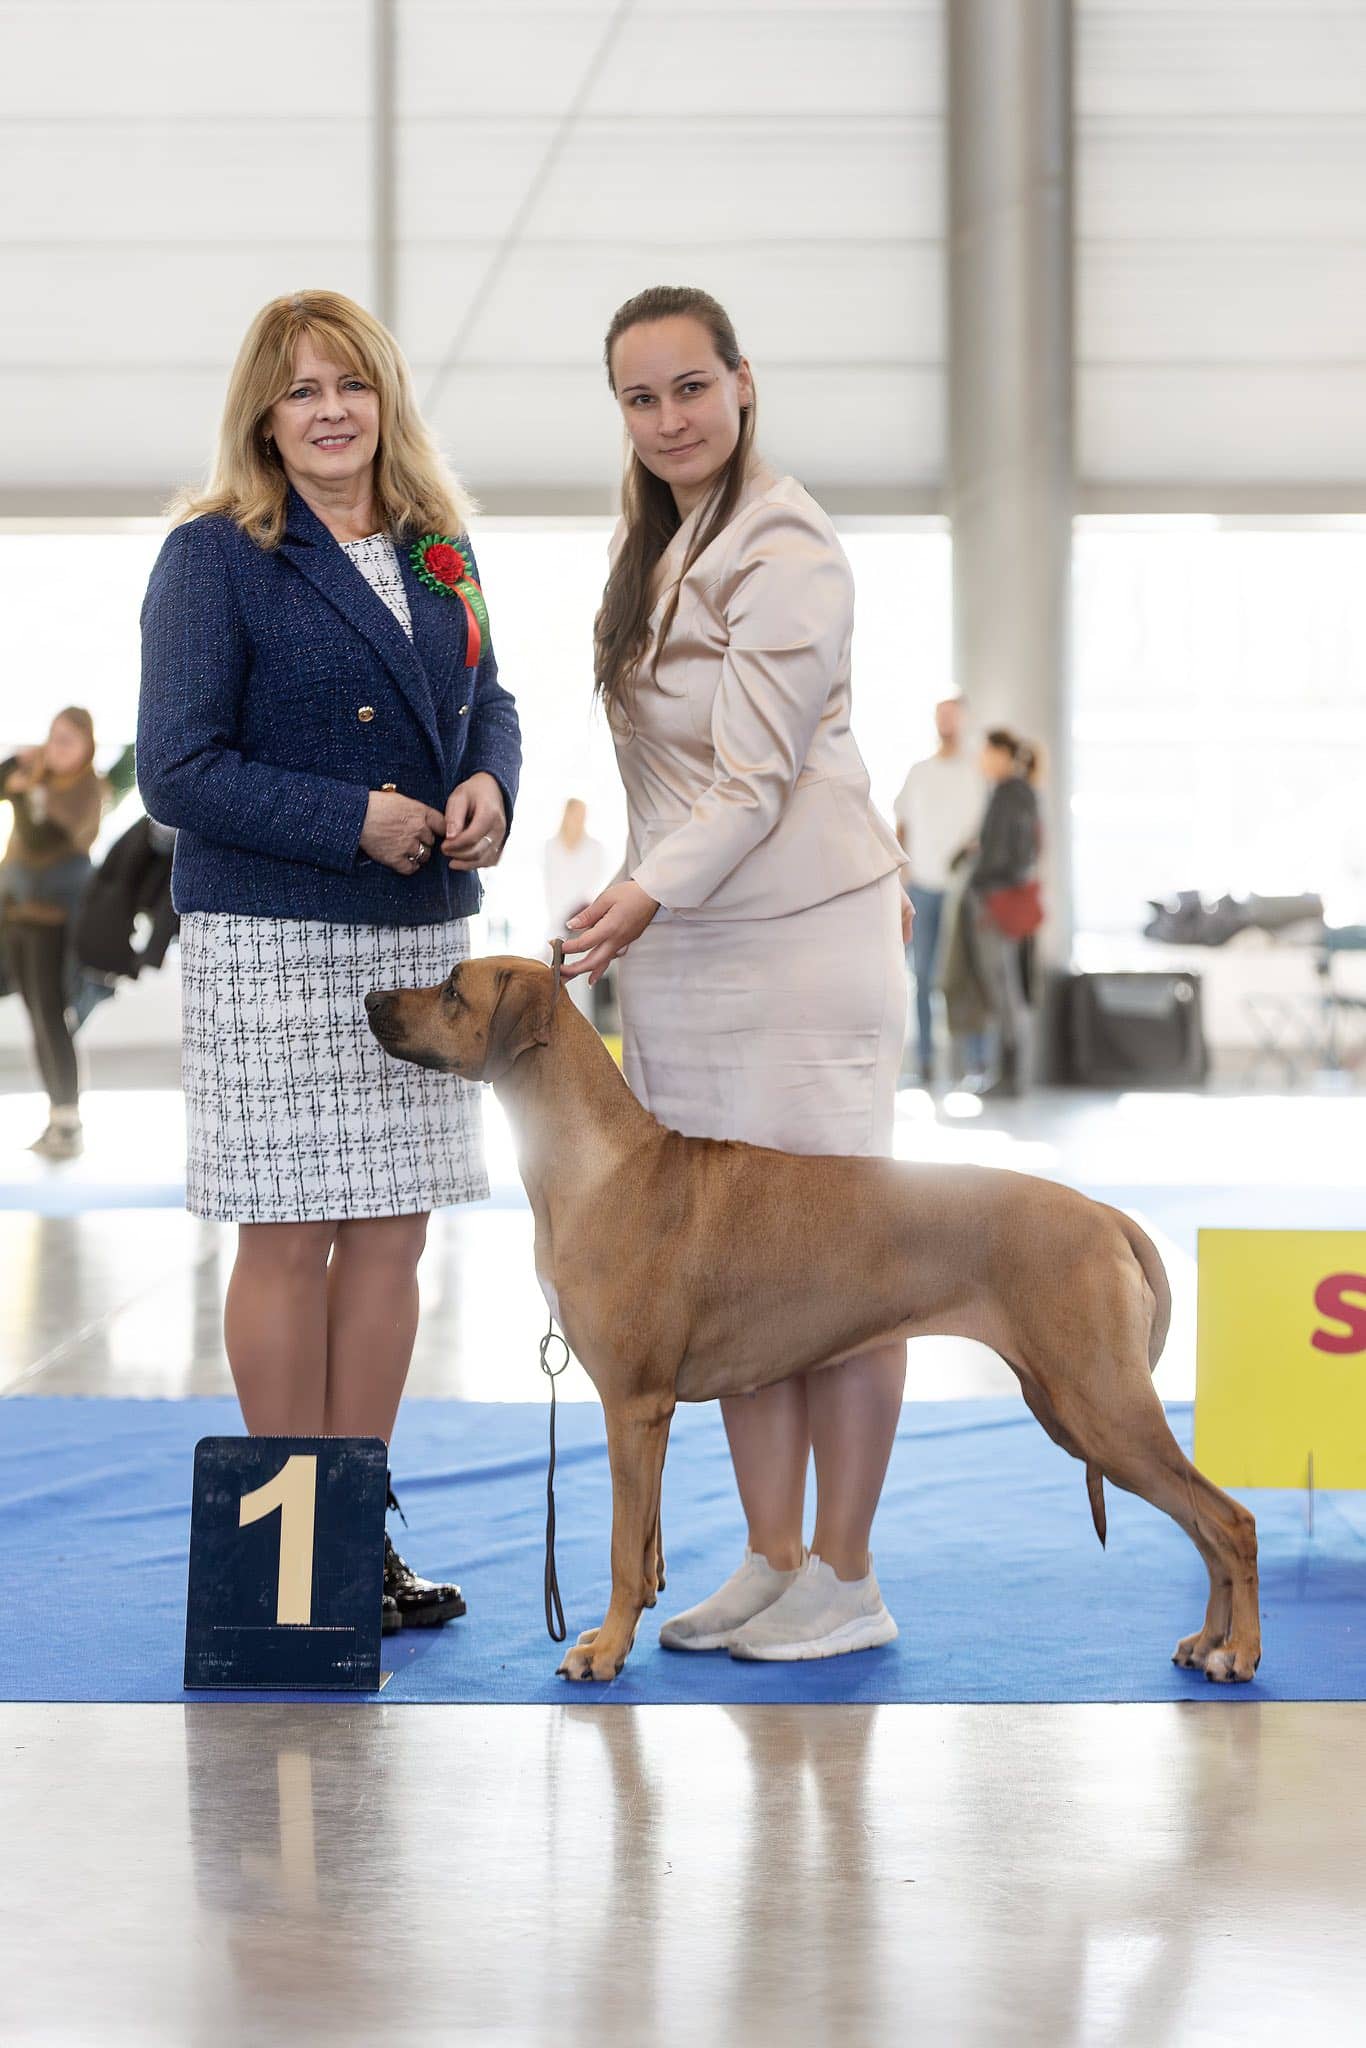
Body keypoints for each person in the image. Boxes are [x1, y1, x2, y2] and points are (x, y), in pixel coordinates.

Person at [138, 289, 521, 1634]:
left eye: (351, 383)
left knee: (393, 1235)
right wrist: (348, 815)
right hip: (273, 937)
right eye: (301, 389)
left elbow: (491, 698)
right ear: (264, 414)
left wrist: (489, 783)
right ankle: (289, 1555)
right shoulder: (212, 554)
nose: (331, 410)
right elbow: (176, 769)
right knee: (288, 1234)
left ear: (385, 397)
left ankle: (352, 1541)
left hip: (416, 929)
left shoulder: (438, 546)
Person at [564, 284, 912, 1662]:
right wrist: (642, 897)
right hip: (685, 943)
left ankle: (849, 1572)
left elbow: (757, 776)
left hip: (800, 936)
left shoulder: (787, 542)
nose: (669, 419)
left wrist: (639, 891)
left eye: (690, 387)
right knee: (731, 1270)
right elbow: (661, 775)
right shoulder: (646, 539)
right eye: (639, 398)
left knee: (843, 1261)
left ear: (742, 382)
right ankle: (774, 1556)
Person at [1, 710, 134, 1159]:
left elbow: (44, 839)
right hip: (17, 918)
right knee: (36, 1020)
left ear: (86, 749)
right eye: (53, 738)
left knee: (51, 1019)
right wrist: (17, 767)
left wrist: (22, 792)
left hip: (53, 924)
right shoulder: (39, 779)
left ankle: (67, 1121)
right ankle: (57, 1117)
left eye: (67, 742)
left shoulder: (87, 790)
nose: (56, 749)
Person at [892, 696, 987, 1084]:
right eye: (940, 715)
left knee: (966, 975)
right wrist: (903, 874)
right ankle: (926, 1061)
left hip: (961, 890)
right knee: (923, 976)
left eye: (952, 715)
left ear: (964, 720)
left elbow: (982, 832)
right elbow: (901, 825)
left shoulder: (975, 773)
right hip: (923, 887)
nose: (945, 722)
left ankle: (975, 1064)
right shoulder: (919, 773)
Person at [968, 729, 1042, 1098]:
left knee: (1005, 988)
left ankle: (1012, 1076)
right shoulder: (1017, 794)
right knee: (1005, 987)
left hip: (1000, 902)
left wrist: (981, 878)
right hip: (1002, 898)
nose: (981, 760)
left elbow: (1008, 854)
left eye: (986, 752)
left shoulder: (1010, 794)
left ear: (1001, 754)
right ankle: (1009, 1075)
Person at [543, 798, 605, 1018]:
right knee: (552, 984)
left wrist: (579, 916)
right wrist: (560, 919)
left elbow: (592, 887)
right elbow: (550, 888)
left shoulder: (595, 848)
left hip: (582, 925)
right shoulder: (551, 847)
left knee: (580, 988)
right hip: (556, 927)